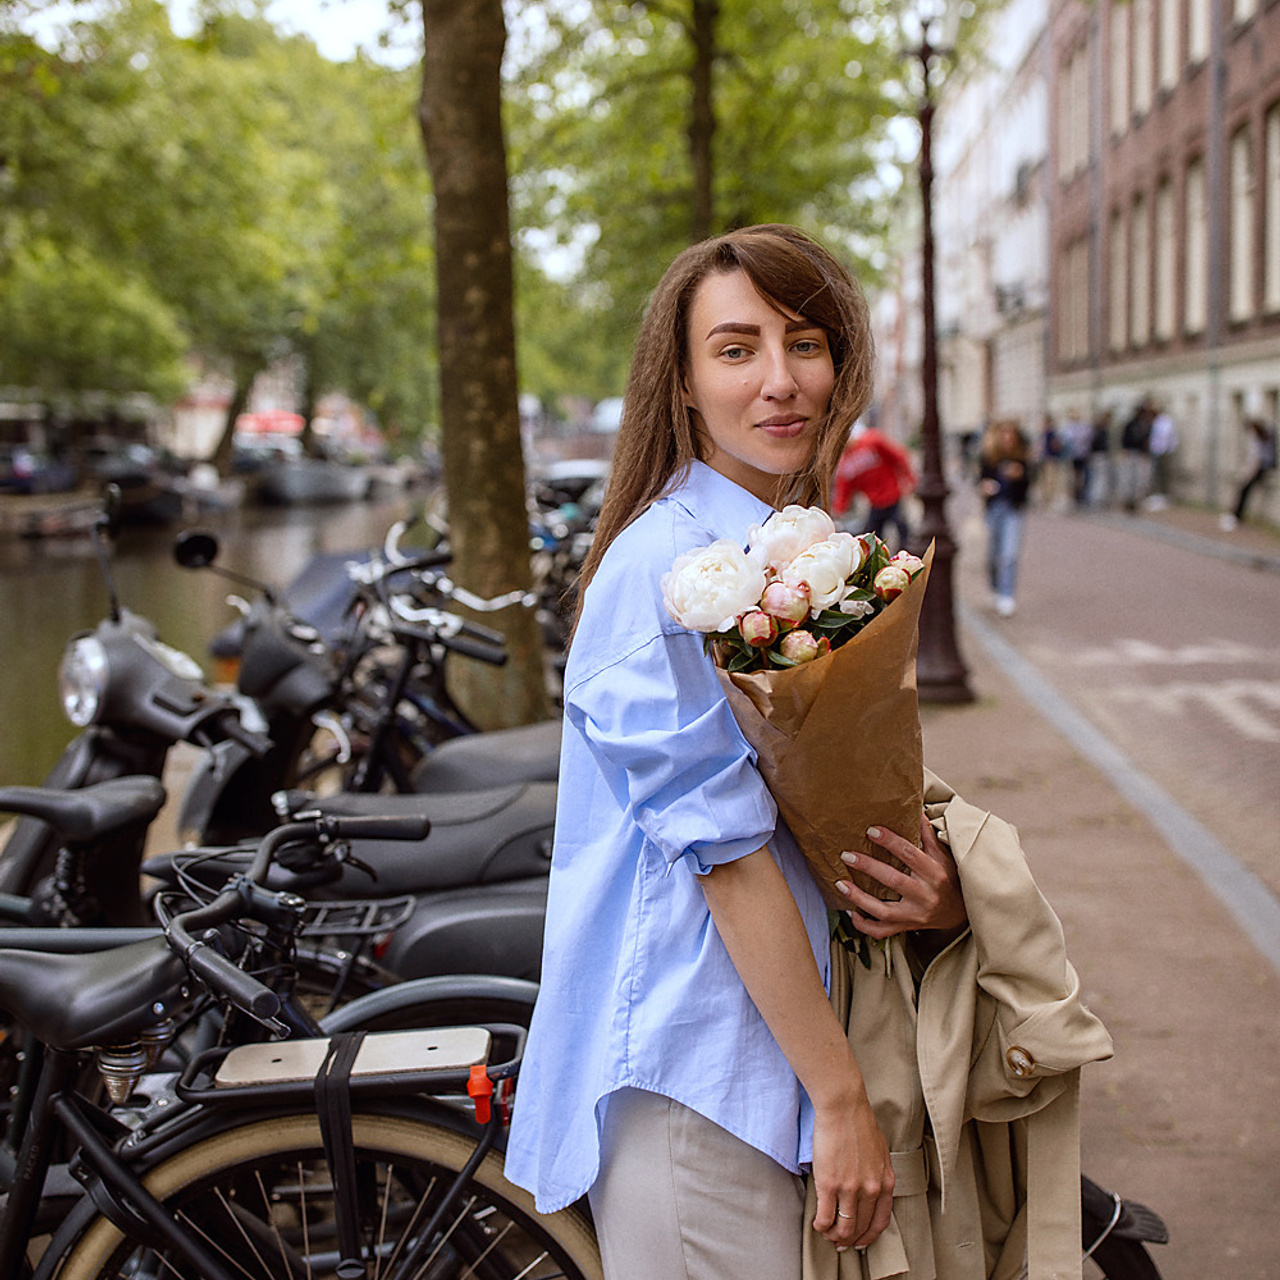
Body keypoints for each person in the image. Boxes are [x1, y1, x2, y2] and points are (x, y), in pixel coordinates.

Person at [503, 225, 967, 1280]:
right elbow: (725, 856)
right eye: (734, 348)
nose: (779, 380)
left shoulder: (794, 553)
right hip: (696, 1074)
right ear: (679, 380)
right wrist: (839, 1097)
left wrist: (920, 885)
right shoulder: (659, 572)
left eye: (804, 342)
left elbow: (830, 809)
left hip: (783, 1050)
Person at [978, 419, 1033, 617]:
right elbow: (981, 480)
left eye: (1011, 435)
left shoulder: (1022, 459)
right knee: (993, 554)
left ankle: (1007, 594)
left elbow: (1029, 484)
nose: (1008, 439)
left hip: (1013, 509)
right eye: (1004, 435)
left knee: (1009, 554)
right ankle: (994, 587)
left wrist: (1020, 476)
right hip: (994, 509)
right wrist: (986, 487)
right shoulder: (990, 457)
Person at [831, 421, 917, 547]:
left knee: (903, 531)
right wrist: (838, 510)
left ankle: (907, 557)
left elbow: (897, 456)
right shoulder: (845, 464)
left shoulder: (872, 441)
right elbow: (844, 489)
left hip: (893, 496)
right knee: (873, 539)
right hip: (875, 502)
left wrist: (908, 478)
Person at [1222, 416, 1278, 529]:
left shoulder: (1260, 439)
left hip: (1260, 468)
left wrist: (1248, 474)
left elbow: (1256, 459)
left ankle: (1236, 516)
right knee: (1244, 490)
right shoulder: (1267, 435)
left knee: (1244, 489)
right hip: (1263, 466)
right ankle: (1235, 515)